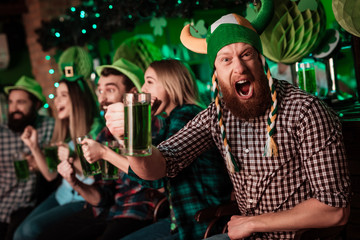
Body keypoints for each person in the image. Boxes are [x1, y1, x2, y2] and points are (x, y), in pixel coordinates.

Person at [105, 0, 352, 239]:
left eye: (246, 55)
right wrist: (133, 138)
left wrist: (253, 223)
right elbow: (159, 166)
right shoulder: (217, 114)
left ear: (261, 61)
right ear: (216, 73)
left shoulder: (305, 111)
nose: (239, 68)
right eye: (226, 59)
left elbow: (335, 209)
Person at [101, 59, 232, 240]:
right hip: (180, 219)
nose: (143, 89)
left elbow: (156, 179)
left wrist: (109, 150)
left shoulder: (186, 115)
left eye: (149, 81)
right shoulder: (169, 120)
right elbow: (149, 174)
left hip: (203, 222)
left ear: (171, 84)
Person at [37, 58, 162, 240]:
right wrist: (74, 181)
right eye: (100, 90)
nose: (102, 98)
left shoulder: (153, 127)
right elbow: (101, 197)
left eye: (110, 90)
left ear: (132, 92)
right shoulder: (104, 135)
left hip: (138, 213)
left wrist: (107, 151)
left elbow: (154, 180)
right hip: (108, 212)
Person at [13, 64, 104, 240]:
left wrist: (73, 158)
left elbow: (96, 179)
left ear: (78, 99)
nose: (57, 101)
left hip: (83, 199)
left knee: (30, 231)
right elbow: (50, 175)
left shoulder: (97, 130)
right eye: (57, 96)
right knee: (20, 233)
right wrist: (33, 146)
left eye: (64, 96)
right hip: (62, 194)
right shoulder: (65, 131)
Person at [0, 76, 55, 240]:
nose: (14, 108)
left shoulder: (50, 127)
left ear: (37, 105)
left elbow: (55, 167)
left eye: (21, 102)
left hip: (28, 204)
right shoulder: (2, 132)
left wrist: (37, 160)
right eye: (11, 102)